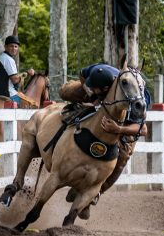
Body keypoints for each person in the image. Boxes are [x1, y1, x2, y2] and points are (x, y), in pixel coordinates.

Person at [60, 62, 147, 205]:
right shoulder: (99, 73)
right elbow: (82, 74)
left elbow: (143, 129)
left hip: (125, 122)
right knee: (65, 92)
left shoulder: (138, 100)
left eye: (95, 88)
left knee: (124, 155)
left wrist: (119, 129)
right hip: (101, 91)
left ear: (106, 88)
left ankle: (97, 191)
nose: (92, 88)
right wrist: (92, 96)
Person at [0, 35, 34, 104]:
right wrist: (27, 73)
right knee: (31, 104)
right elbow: (14, 80)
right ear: (5, 47)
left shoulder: (2, 57)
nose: (14, 48)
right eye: (11, 46)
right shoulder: (8, 59)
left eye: (16, 46)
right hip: (8, 94)